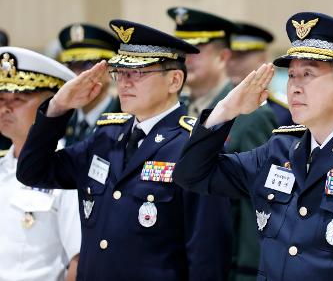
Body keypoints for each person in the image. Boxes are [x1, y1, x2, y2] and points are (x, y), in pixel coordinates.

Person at [173, 12, 333, 280]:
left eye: (308, 74)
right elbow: (191, 174)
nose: (294, 86)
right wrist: (226, 110)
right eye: (292, 75)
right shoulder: (279, 148)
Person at [16, 20, 232, 280]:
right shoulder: (106, 137)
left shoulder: (193, 147)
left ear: (174, 80)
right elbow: (32, 172)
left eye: (138, 73)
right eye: (121, 72)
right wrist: (58, 108)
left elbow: (207, 255)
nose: (125, 83)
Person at [168, 7, 277, 281]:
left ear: (223, 56)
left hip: (225, 264)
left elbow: (259, 201)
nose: (187, 58)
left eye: (197, 49)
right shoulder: (176, 111)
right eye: (182, 49)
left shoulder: (251, 113)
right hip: (176, 258)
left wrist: (247, 272)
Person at [0, 46, 81, 280]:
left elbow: (78, 260)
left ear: (51, 106)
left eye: (19, 98)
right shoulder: (3, 167)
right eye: (1, 98)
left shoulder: (67, 169)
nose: (6, 107)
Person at [58, 23, 121, 145]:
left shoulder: (124, 118)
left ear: (110, 69)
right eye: (71, 65)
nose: (78, 75)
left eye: (87, 65)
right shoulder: (61, 120)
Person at [229, 22, 294, 127]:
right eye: (229, 56)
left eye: (240, 55)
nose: (231, 62)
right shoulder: (214, 106)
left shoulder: (286, 113)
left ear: (262, 58)